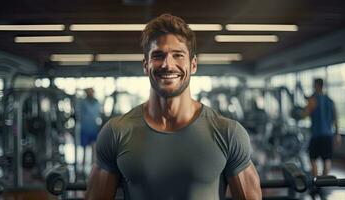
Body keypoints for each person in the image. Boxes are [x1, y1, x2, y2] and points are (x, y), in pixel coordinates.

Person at [86, 14, 261, 200]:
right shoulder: (115, 132)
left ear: (193, 65)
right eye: (158, 55)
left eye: (178, 55)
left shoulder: (228, 133)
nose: (168, 65)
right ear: (145, 65)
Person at [302, 78, 341, 176]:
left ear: (317, 86)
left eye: (314, 85)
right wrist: (337, 134)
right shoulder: (330, 101)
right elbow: (335, 119)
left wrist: (305, 107)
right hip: (328, 135)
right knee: (327, 160)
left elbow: (304, 115)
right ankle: (324, 182)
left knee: (312, 159)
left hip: (316, 136)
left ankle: (317, 182)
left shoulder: (313, 100)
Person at [79, 88, 102, 175]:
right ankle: (83, 167)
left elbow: (98, 114)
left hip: (93, 128)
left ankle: (93, 167)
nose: (90, 93)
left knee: (94, 148)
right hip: (85, 128)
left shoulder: (97, 103)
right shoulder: (83, 103)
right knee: (84, 149)